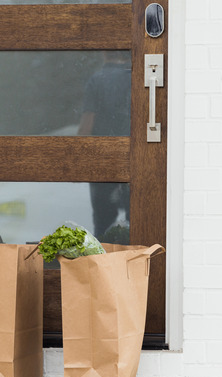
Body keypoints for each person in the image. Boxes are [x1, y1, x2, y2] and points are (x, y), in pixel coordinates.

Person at [77, 52, 131, 239]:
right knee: (138, 221)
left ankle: (103, 264)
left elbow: (87, 123)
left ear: (103, 53)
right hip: (131, 157)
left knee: (103, 223)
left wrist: (77, 155)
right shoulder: (136, 77)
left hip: (103, 158)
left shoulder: (97, 80)